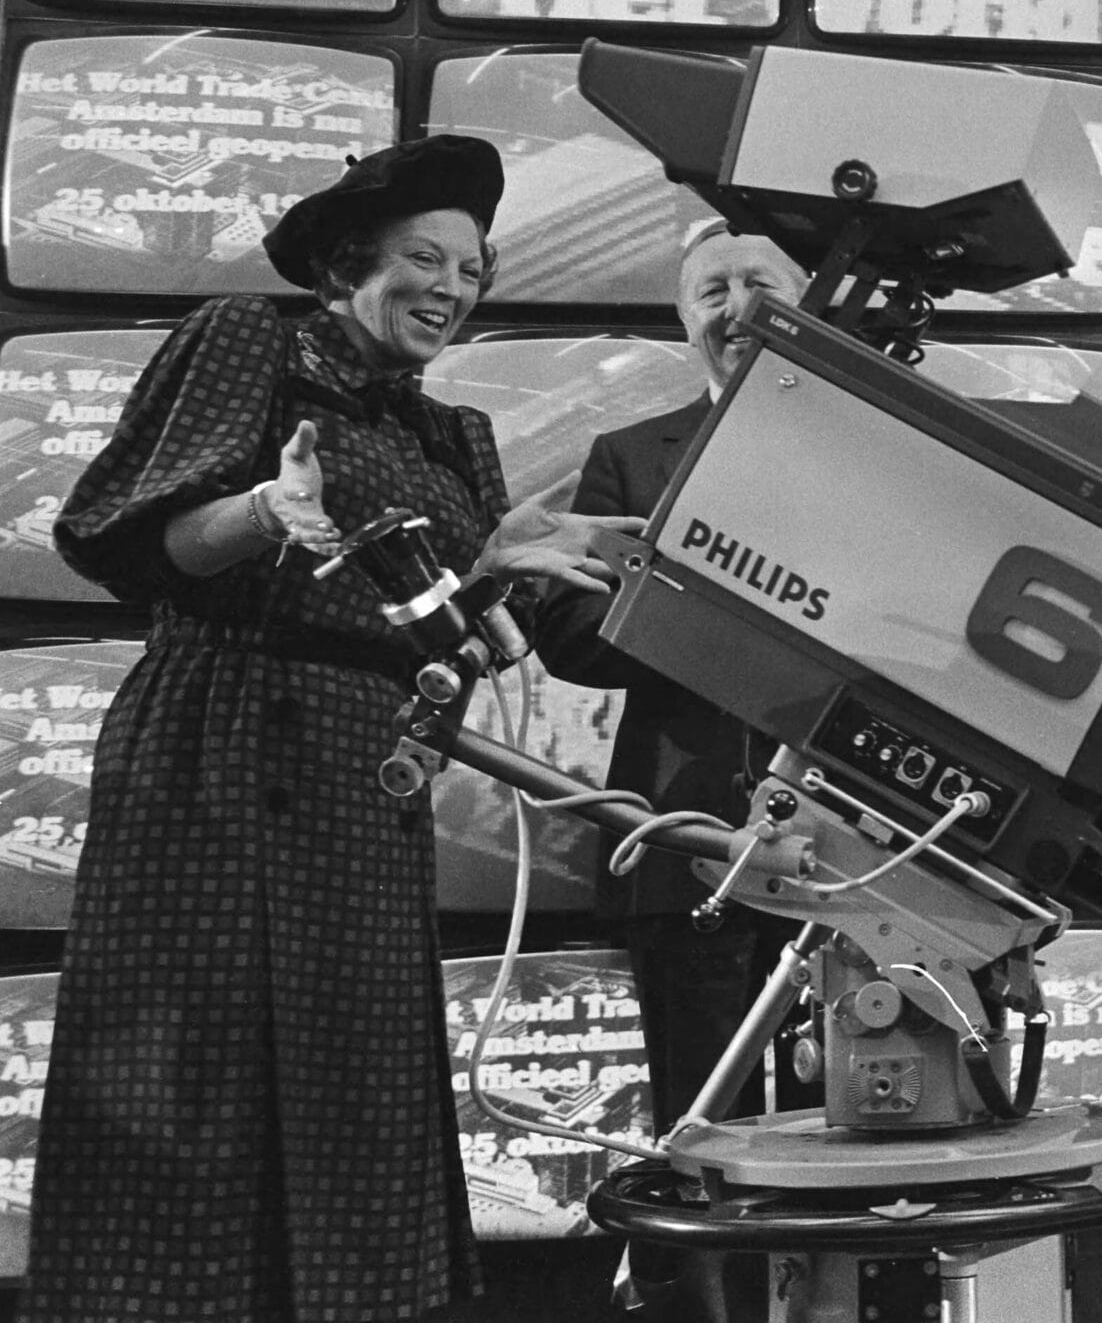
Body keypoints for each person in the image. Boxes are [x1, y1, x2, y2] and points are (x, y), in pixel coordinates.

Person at [24, 135, 637, 1323]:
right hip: (219, 740)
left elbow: (445, 637)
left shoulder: (452, 434)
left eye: (473, 269)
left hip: (366, 772)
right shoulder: (250, 341)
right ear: (350, 260)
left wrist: (495, 566)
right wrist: (265, 507)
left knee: (353, 1085)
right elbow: (130, 542)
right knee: (193, 1078)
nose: (452, 287)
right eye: (426, 257)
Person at [533, 220, 813, 1319]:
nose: (735, 305)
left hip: (864, 845)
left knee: (868, 1123)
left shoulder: (883, 452)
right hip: (684, 838)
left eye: (759, 282)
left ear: (807, 301)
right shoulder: (630, 454)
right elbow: (567, 632)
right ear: (682, 318)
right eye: (711, 289)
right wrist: (696, 600)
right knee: (707, 1136)